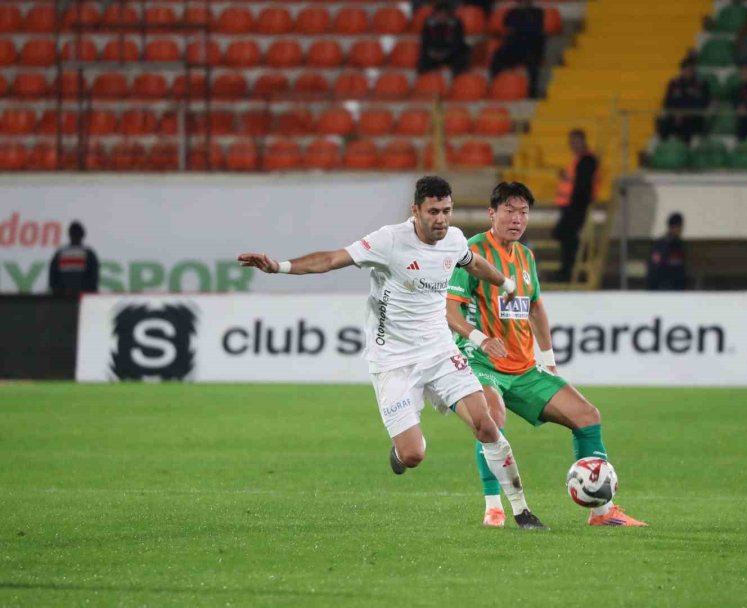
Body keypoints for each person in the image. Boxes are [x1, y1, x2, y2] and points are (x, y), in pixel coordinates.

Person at [238, 176, 545, 529]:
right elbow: (332, 259)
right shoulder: (388, 241)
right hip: (394, 361)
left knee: (486, 425)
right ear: (415, 210)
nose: (441, 219)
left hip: (440, 352)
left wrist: (505, 283)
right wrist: (280, 266)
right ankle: (399, 454)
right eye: (433, 212)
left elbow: (472, 262)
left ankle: (522, 510)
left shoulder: (454, 240)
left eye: (446, 211)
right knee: (414, 454)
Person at [445, 181, 646, 528]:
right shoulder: (471, 252)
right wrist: (479, 339)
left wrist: (548, 361)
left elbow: (535, 308)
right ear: (492, 214)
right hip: (483, 362)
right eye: (509, 210)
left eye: (523, 212)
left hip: (524, 368)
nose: (517, 218)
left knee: (587, 415)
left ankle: (602, 512)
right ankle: (494, 506)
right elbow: (450, 312)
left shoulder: (525, 256)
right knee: (491, 418)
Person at [551, 129, 598, 282]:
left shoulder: (586, 160)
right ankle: (571, 267)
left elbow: (582, 185)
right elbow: (577, 181)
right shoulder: (579, 159)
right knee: (565, 236)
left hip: (576, 206)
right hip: (571, 205)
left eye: (575, 141)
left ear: (583, 141)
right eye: (571, 141)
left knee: (564, 235)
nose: (573, 144)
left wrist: (575, 205)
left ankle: (569, 270)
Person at [489, 0, 545, 97]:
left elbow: (535, 31)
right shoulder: (512, 12)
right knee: (497, 56)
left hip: (530, 47)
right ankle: (493, 85)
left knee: (533, 63)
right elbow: (507, 26)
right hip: (514, 48)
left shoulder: (537, 12)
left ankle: (532, 92)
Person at [656, 57, 711, 143]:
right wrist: (676, 113)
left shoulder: (701, 84)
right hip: (676, 116)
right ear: (681, 70)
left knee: (687, 124)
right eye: (686, 70)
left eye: (690, 70)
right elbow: (667, 102)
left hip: (693, 117)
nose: (688, 72)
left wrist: (685, 113)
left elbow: (703, 104)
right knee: (662, 121)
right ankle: (664, 148)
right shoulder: (674, 83)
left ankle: (685, 150)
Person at [48, 221, 99, 297]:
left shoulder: (60, 254)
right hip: (82, 300)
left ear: (69, 234)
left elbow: (52, 281)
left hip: (62, 300)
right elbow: (93, 281)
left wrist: (59, 293)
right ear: (83, 236)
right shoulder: (89, 254)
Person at [418, 1, 470, 76]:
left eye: (444, 14)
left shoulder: (456, 23)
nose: (441, 16)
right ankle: (425, 80)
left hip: (451, 53)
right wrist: (432, 53)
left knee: (461, 57)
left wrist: (446, 53)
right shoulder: (429, 23)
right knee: (423, 61)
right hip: (433, 53)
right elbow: (425, 42)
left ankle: (458, 80)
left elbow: (458, 42)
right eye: (439, 14)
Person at [646, 212, 687, 291]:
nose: (680, 230)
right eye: (678, 227)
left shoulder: (680, 245)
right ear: (671, 227)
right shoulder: (660, 245)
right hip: (662, 287)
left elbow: (681, 268)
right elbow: (654, 268)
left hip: (677, 287)